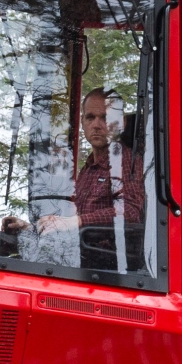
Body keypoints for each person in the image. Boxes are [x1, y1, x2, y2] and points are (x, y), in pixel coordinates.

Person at [71, 88, 148, 274]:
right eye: (90, 117)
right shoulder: (88, 168)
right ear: (82, 122)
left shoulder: (125, 161)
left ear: (122, 123)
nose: (96, 125)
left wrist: (79, 221)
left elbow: (130, 210)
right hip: (82, 260)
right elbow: (71, 215)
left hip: (108, 268)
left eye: (105, 118)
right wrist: (36, 226)